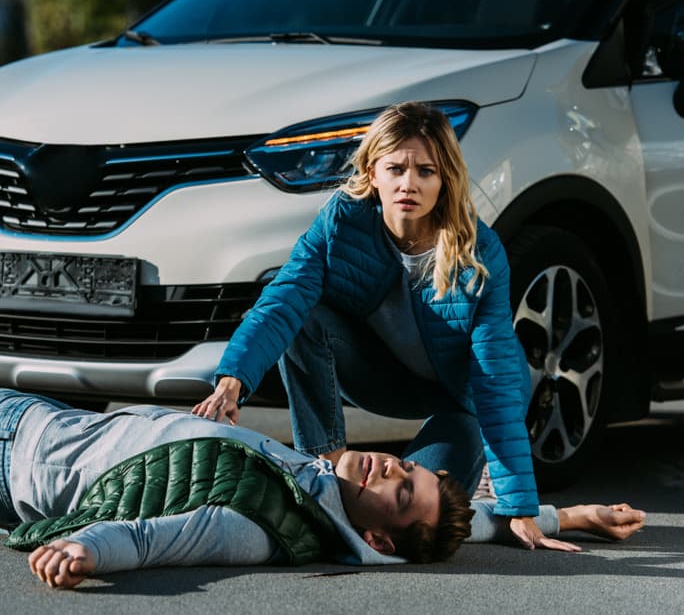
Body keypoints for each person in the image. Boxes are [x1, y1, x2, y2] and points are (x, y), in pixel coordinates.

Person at [0, 380, 645, 589]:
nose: (392, 465)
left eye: (397, 489)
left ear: (378, 538)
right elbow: (468, 525)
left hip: (7, 432)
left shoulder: (261, 521)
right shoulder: (314, 502)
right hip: (15, 486)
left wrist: (86, 551)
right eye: (409, 467)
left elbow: (171, 538)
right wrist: (563, 512)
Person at [193, 101, 548, 549]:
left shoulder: (478, 252)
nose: (408, 184)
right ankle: (324, 465)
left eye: (426, 171)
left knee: (415, 519)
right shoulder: (341, 222)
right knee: (306, 314)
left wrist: (521, 508)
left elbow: (494, 377)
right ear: (372, 170)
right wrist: (231, 383)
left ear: (446, 179)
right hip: (381, 377)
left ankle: (504, 491)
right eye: (396, 168)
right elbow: (282, 301)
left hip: (464, 399)